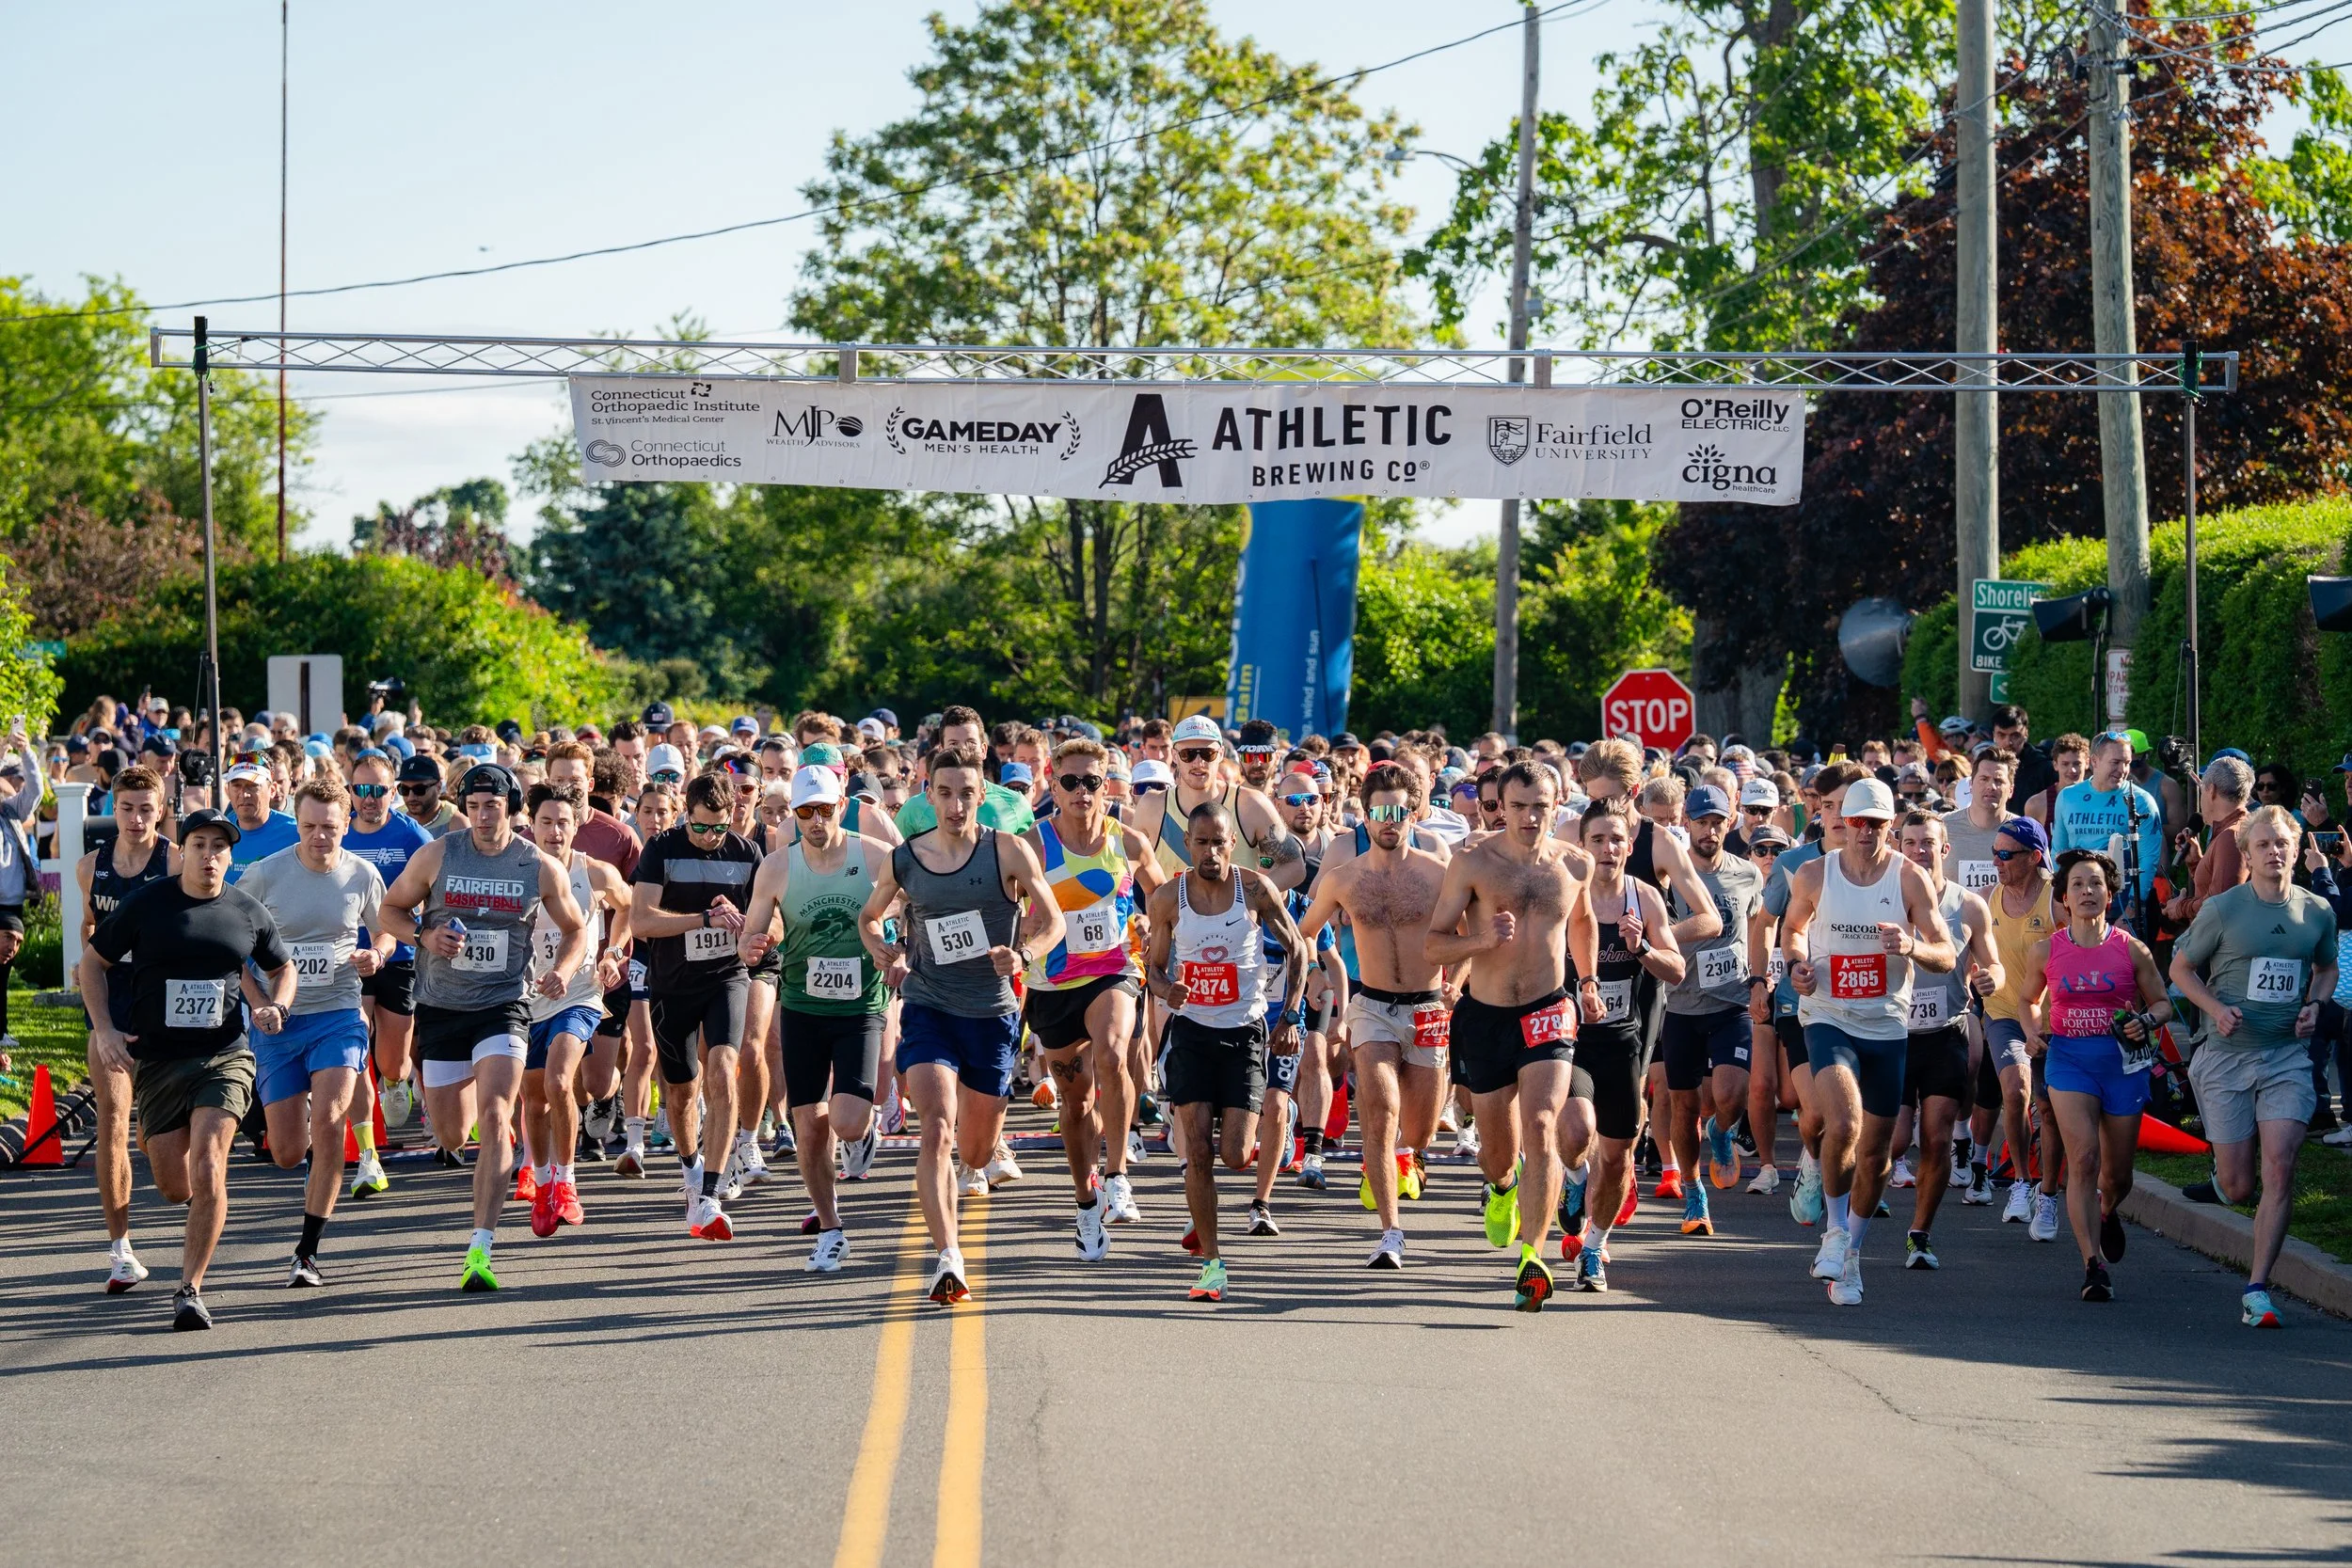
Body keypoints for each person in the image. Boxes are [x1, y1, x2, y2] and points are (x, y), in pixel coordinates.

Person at [861, 745, 1064, 1305]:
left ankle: (977, 1167)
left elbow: (1053, 920)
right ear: (928, 794)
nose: (956, 806)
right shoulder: (906, 859)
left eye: (967, 794)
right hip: (928, 1007)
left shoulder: (1008, 851)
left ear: (982, 796)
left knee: (974, 1152)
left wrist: (1022, 955)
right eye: (945, 793)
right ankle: (948, 1255)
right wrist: (881, 948)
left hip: (991, 1015)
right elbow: (870, 916)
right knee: (936, 1127)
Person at [80, 809, 295, 1329]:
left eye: (219, 847)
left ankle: (190, 1289)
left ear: (229, 856)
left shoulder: (246, 911)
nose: (209, 856)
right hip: (158, 1060)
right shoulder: (147, 904)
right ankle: (173, 1164)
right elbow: (92, 963)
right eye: (199, 845)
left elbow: (282, 966)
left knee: (209, 1165)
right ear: (183, 851)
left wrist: (278, 1006)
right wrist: (105, 1029)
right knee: (175, 1186)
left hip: (224, 1056)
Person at [378, 765, 590, 1291]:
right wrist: (423, 937)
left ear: (511, 809)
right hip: (442, 1006)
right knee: (452, 1134)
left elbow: (576, 929)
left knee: (496, 1115)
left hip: (504, 1004)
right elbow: (389, 909)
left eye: (492, 806)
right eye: (473, 807)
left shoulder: (537, 865)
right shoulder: (438, 854)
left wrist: (563, 972)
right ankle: (483, 1128)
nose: (482, 817)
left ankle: (481, 1247)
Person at [1425, 761, 1603, 1311]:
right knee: (1498, 1153)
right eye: (1519, 806)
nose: (1530, 817)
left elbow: (1583, 921)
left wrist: (1588, 980)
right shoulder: (1473, 862)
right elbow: (1433, 943)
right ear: (1500, 807)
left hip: (1549, 1009)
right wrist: (1480, 940)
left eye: (1540, 806)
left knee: (1543, 1124)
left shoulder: (1576, 863)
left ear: (1557, 803)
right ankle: (1503, 1187)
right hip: (1486, 1015)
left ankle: (1533, 1257)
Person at [1779, 777, 1957, 1307]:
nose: (1864, 831)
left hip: (1885, 1024)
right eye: (1856, 821)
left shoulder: (1910, 879)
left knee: (1876, 1152)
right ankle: (1834, 1231)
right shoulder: (1815, 873)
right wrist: (1796, 965)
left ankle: (1851, 1254)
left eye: (1876, 823)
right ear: (1841, 822)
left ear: (1890, 827)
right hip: (1828, 1014)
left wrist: (1911, 946)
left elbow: (1946, 954)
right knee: (1844, 1122)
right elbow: (1792, 929)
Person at [2170, 805, 2339, 1326]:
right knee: (2240, 1186)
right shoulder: (2223, 909)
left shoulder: (2316, 912)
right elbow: (2181, 968)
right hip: (2225, 1058)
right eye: (2262, 844)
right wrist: (2216, 1009)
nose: (2273, 852)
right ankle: (2224, 1182)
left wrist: (2315, 1005)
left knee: (2281, 1166)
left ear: (2297, 849)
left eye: (2281, 843)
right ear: (2246, 853)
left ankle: (2257, 1289)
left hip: (2285, 1056)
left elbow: (2327, 968)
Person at [1141, 800, 1308, 1302]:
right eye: (1201, 843)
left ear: (1233, 843)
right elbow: (1153, 968)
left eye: (1219, 842)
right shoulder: (1168, 898)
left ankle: (1270, 1124)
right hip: (1192, 1034)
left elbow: (1298, 948)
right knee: (1197, 1150)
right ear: (1187, 845)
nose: (1210, 852)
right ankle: (1212, 1262)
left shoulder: (1255, 889)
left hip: (1245, 1033)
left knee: (1235, 1155)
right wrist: (1167, 989)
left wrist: (1290, 1015)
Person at [1293, 761, 1452, 1267]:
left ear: (1413, 814)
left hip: (1429, 1005)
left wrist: (1459, 980)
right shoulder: (1344, 877)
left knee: (1420, 1131)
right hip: (1371, 1006)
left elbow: (1467, 932)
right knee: (1379, 1112)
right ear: (1364, 816)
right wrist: (1316, 970)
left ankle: (1408, 1155)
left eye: (1398, 812)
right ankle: (1390, 1233)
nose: (1389, 821)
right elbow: (1304, 930)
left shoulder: (1438, 872)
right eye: (1380, 812)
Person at [235, 776, 393, 1286]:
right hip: (280, 1023)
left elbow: (386, 927)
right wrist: (259, 1003)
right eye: (308, 827)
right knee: (286, 1152)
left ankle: (306, 1252)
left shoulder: (362, 874)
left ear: (347, 824)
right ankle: (295, 1125)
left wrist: (377, 954)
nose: (319, 837)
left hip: (338, 1014)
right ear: (297, 824)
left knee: (328, 1123)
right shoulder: (264, 875)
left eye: (329, 827)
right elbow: (232, 947)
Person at [741, 766, 895, 1272]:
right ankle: (830, 1228)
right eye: (805, 811)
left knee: (846, 1124)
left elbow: (913, 907)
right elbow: (752, 939)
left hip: (860, 1008)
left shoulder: (875, 857)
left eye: (824, 810)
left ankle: (861, 1129)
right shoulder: (776, 867)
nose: (815, 820)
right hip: (803, 1007)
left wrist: (894, 942)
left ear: (842, 808)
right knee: (808, 1126)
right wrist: (751, 945)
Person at [1020, 737, 1165, 1257]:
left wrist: (1148, 921)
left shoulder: (1128, 842)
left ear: (1107, 787)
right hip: (1053, 983)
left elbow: (1163, 899)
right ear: (1053, 785)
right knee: (1077, 1103)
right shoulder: (1033, 845)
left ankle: (1119, 1174)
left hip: (1114, 969)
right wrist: (1024, 932)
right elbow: (1004, 905)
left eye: (1092, 782)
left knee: (1113, 1051)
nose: (1082, 791)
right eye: (1071, 781)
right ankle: (1086, 1203)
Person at [2018, 849, 2174, 1303]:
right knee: (2084, 1157)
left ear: (2109, 894)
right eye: (2078, 885)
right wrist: (2032, 1031)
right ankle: (2093, 1264)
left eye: (2096, 884)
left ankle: (2108, 1210)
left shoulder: (2131, 949)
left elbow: (2163, 1003)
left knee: (2118, 1176)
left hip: (2122, 1065)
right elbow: (2028, 1000)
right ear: (2064, 898)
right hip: (2070, 1061)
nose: (2087, 891)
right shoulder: (2047, 950)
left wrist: (2146, 1021)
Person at [630, 771, 765, 1241]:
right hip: (672, 985)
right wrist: (704, 919)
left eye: (720, 827)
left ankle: (711, 1189)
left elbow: (771, 920)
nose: (710, 837)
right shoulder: (661, 849)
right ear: (685, 814)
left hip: (727, 977)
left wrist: (751, 930)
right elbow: (641, 921)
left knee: (724, 1069)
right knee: (683, 1090)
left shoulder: (746, 853)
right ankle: (691, 1169)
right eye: (701, 826)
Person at [1560, 798, 1684, 1290]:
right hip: (1569, 1039)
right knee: (1577, 1130)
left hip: (1621, 1041)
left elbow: (1676, 969)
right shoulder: (1563, 893)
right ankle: (1574, 1178)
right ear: (1582, 846)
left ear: (1629, 847)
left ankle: (1594, 1247)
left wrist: (1642, 947)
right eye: (1597, 840)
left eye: (1616, 840)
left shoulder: (1644, 898)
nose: (1607, 849)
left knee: (1617, 1157)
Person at [73, 763, 178, 1291]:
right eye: (127, 809)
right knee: (112, 1119)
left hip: (164, 1003)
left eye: (146, 810)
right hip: (111, 1002)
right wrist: (89, 965)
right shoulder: (90, 867)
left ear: (161, 811)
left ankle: (153, 1131)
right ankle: (120, 1249)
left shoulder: (175, 860)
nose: (136, 819)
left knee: (158, 1137)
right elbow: (90, 926)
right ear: (113, 810)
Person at [517, 781, 631, 1238]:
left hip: (579, 993)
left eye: (563, 822)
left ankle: (566, 1182)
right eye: (545, 822)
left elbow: (628, 907)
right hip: (527, 999)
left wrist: (613, 952)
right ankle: (542, 1180)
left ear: (577, 823)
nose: (554, 831)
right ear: (531, 824)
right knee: (534, 1098)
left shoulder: (595, 872)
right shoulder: (517, 870)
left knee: (560, 1081)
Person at [1656, 784, 1765, 1238]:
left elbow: (1759, 929)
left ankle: (1721, 1132)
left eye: (1718, 822)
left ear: (1730, 822)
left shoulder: (1747, 873)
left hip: (1731, 1003)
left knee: (1730, 1096)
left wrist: (1759, 980)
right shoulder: (1670, 875)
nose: (1710, 830)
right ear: (1687, 823)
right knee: (1684, 1106)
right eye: (1701, 822)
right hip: (1680, 1005)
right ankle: (1694, 1190)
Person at [1891, 811, 1998, 1271]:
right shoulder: (1884, 899)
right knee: (1893, 1142)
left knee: (1935, 1139)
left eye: (1928, 843)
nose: (1919, 851)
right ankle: (1848, 1218)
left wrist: (1992, 978)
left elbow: (1993, 963)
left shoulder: (1968, 905)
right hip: (1892, 1036)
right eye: (1910, 843)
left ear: (1944, 849)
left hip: (1945, 1034)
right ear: (1899, 848)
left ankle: (1920, 1235)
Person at [340, 749, 434, 1198]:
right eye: (361, 789)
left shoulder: (412, 835)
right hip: (348, 958)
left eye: (378, 790)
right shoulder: (338, 832)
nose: (369, 798)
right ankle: (366, 1151)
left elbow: (435, 888)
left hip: (399, 956)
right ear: (350, 792)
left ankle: (395, 1081)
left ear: (392, 792)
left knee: (392, 1060)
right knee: (356, 1041)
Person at [2050, 733, 2164, 920]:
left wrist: (2132, 911)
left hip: (2123, 904)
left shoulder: (2142, 801)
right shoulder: (2067, 797)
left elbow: (2148, 860)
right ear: (2094, 761)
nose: (2123, 770)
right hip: (2080, 901)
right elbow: (2058, 851)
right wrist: (2061, 900)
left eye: (2127, 763)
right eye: (2115, 762)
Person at [893, 706, 1036, 838]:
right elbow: (896, 855)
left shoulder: (1015, 805)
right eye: (953, 744)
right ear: (941, 751)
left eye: (971, 744)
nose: (963, 751)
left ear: (983, 750)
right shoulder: (914, 809)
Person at [220, 758, 299, 879]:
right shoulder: (220, 831)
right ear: (228, 791)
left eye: (253, 786)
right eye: (237, 786)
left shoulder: (295, 832)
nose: (244, 794)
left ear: (272, 790)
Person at [395, 752, 459, 834]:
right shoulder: (396, 818)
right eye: (404, 789)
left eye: (419, 789)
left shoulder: (455, 821)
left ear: (438, 787)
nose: (411, 797)